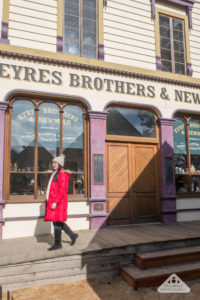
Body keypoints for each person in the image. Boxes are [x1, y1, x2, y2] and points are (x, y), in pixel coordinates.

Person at [44, 154, 78, 251]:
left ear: (59, 164)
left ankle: (58, 243)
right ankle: (72, 235)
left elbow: (62, 191)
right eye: (53, 163)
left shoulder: (62, 175)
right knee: (57, 221)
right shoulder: (55, 173)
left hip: (58, 203)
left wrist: (55, 202)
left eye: (55, 163)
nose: (53, 165)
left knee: (56, 222)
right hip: (52, 202)